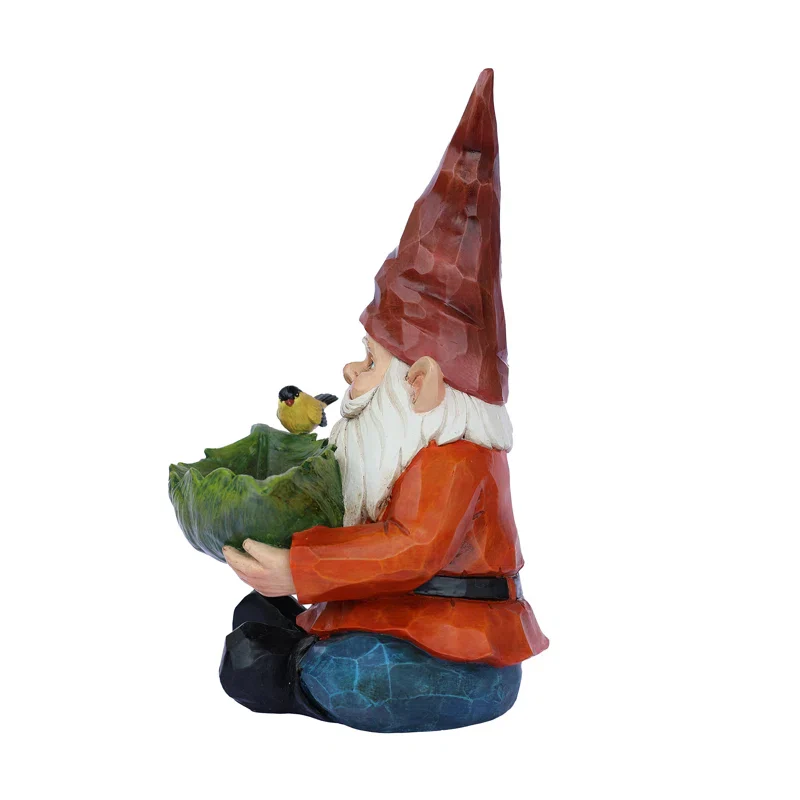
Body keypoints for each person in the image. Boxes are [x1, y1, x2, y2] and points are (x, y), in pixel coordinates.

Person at [220, 69, 548, 733]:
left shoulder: (456, 458)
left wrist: (298, 567)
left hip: (458, 652)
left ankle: (300, 675)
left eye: (371, 363)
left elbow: (410, 551)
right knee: (263, 626)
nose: (350, 372)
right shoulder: (397, 452)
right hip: (389, 617)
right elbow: (366, 531)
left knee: (351, 672)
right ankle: (296, 658)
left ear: (421, 383)